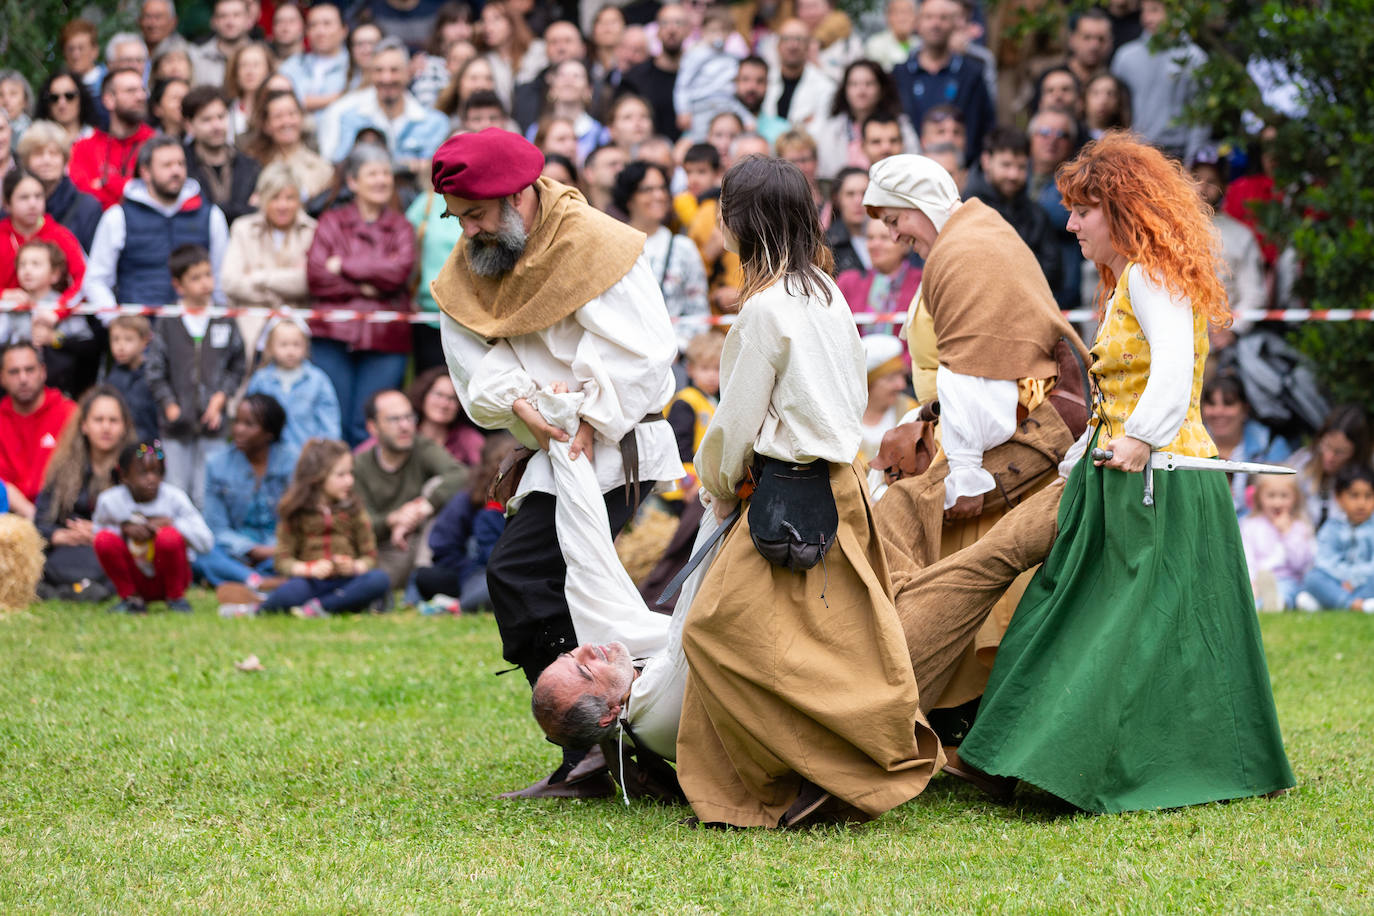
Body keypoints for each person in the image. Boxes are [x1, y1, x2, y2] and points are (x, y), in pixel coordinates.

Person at [954, 133, 1295, 812]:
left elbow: (1172, 372)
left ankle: (1060, 766)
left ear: (1122, 209)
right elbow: (1122, 396)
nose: (1073, 223)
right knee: (1069, 615)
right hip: (1121, 476)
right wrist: (1088, 454)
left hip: (1160, 480)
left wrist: (1139, 440)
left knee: (1120, 631)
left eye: (1085, 210)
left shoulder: (1147, 275)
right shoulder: (1127, 282)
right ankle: (1015, 755)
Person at [670, 156, 938, 828]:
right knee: (838, 648)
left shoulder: (764, 310)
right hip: (840, 488)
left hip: (786, 495)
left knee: (713, 634)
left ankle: (796, 780)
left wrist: (719, 485)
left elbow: (734, 422)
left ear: (739, 223)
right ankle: (798, 776)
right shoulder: (825, 290)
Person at [431, 128, 683, 795]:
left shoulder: (598, 244)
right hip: (554, 444)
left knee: (520, 575)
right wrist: (528, 403)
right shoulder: (471, 265)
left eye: (478, 214)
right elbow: (478, 365)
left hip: (615, 440)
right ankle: (609, 743)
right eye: (457, 219)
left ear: (518, 195)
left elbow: (648, 352)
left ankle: (604, 739)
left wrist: (589, 409)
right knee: (529, 581)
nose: (469, 232)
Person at [305, 143, 416, 445]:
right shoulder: (331, 221)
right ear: (353, 182)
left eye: (385, 173)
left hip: (385, 337)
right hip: (333, 334)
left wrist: (344, 265)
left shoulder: (401, 227)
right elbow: (316, 277)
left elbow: (399, 274)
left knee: (367, 425)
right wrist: (370, 283)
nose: (381, 180)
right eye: (372, 174)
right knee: (334, 420)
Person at [144, 245, 246, 507]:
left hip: (214, 426)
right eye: (196, 278)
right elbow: (155, 370)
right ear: (178, 285)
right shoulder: (168, 321)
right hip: (176, 427)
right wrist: (169, 405)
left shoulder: (224, 318)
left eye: (208, 275)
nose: (205, 283)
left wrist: (220, 399)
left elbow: (237, 364)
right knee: (177, 491)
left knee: (208, 493)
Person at [83, 135, 230, 313]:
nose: (176, 171)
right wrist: (117, 321)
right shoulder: (118, 217)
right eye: (167, 165)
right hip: (139, 328)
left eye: (181, 164)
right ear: (145, 172)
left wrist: (217, 319)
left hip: (195, 326)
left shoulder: (211, 215)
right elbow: (96, 280)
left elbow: (222, 279)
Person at [350, 389, 469, 592]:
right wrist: (394, 519)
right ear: (373, 427)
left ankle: (419, 581)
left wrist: (421, 508)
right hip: (380, 550)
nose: (405, 426)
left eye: (409, 417)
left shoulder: (422, 447)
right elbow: (361, 525)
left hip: (417, 542)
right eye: (394, 419)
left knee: (437, 488)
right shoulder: (359, 465)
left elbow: (460, 474)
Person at [258, 438, 391, 617]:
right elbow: (282, 560)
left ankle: (320, 607)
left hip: (349, 581)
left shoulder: (355, 509)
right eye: (341, 475)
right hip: (311, 582)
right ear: (317, 477)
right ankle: (260, 608)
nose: (350, 481)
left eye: (351, 473)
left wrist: (353, 566)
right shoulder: (295, 512)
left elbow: (370, 557)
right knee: (290, 592)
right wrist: (309, 569)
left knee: (379, 579)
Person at [34, 385, 135, 601]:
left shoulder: (136, 471)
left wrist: (102, 533)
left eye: (113, 420)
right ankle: (79, 590)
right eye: (98, 420)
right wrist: (59, 536)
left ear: (125, 426)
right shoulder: (63, 467)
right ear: (84, 426)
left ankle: (70, 590)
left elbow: (147, 522)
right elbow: (40, 521)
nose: (105, 428)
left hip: (111, 551)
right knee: (48, 564)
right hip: (67, 549)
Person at [92, 440, 213, 615]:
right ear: (124, 475)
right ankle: (131, 598)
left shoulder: (174, 498)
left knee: (168, 538)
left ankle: (176, 599)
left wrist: (172, 524)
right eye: (143, 473)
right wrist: (124, 529)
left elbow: (206, 542)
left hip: (170, 577)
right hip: (135, 576)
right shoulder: (110, 501)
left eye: (156, 472)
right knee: (104, 539)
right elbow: (98, 535)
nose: (151, 478)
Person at [198, 393, 298, 602]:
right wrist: (252, 549)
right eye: (237, 422)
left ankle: (240, 580)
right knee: (202, 553)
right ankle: (258, 582)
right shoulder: (217, 464)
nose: (238, 430)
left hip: (280, 549)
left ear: (269, 433)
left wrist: (275, 550)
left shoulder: (292, 462)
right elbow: (216, 528)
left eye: (249, 424)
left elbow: (298, 519)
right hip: (236, 549)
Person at [220, 162, 317, 356]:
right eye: (275, 198)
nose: (283, 205)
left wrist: (258, 277)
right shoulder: (243, 228)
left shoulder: (312, 231)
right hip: (252, 332)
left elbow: (308, 281)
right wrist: (285, 290)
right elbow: (230, 281)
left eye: (290, 198)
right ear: (263, 198)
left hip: (297, 335)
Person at [413, 431, 515, 614]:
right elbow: (442, 546)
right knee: (424, 577)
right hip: (468, 572)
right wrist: (472, 569)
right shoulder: (470, 501)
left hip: (506, 573)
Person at [613, 160, 709, 353]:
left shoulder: (683, 247)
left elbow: (698, 310)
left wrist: (677, 347)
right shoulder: (612, 245)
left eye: (662, 188)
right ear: (629, 198)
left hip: (675, 356)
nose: (658, 195)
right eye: (646, 189)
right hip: (625, 354)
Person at [316, 37, 449, 170]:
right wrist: (407, 165)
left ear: (408, 73)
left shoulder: (434, 123)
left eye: (394, 70)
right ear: (371, 74)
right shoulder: (351, 119)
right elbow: (342, 166)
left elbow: (437, 171)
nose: (386, 78)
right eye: (379, 70)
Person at [892, 0, 993, 163]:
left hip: (961, 170)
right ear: (917, 23)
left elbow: (984, 126)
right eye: (929, 17)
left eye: (943, 18)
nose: (936, 24)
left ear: (955, 24)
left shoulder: (971, 74)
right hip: (910, 166)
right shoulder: (900, 74)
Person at [964, 125, 1062, 292]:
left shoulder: (1036, 214)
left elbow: (1053, 269)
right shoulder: (965, 210)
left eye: (1021, 167)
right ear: (986, 161)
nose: (1013, 175)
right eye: (1006, 165)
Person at [1110, 0, 1208, 162]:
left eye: (1155, 10)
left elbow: (1201, 117)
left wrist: (1192, 161)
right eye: (1144, 11)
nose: (1147, 18)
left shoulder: (1195, 58)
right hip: (1133, 155)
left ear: (1175, 12)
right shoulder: (1125, 57)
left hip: (1176, 156)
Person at [0, 238, 97, 398]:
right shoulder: (12, 305)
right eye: (22, 264)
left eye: (35, 264)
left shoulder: (64, 306)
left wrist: (54, 339)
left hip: (60, 391)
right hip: (16, 392)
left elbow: (88, 348)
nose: (27, 270)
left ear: (55, 274)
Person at [1200, 374, 1293, 515]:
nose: (1218, 411)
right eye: (1211, 404)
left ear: (1245, 410)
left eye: (1228, 403)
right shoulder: (1187, 447)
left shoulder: (1272, 447)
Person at [0, 342, 77, 513]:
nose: (23, 379)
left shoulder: (70, 414)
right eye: (14, 372)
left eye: (30, 370)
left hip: (60, 514)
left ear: (43, 371)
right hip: (7, 516)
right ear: (2, 378)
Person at [244, 320, 341, 453]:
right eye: (283, 345)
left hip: (306, 458)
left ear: (306, 346)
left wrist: (326, 450)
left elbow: (330, 421)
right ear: (270, 347)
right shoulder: (260, 380)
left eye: (296, 345)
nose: (290, 351)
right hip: (269, 457)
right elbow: (249, 416)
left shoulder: (318, 380)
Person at [813, 59, 917, 180]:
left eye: (869, 84)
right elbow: (827, 174)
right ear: (845, 89)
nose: (861, 91)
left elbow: (913, 164)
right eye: (854, 84)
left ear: (881, 88)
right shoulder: (833, 129)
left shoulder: (900, 124)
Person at [1295, 465, 1374, 613]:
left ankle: (1332, 602)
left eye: (1368, 496)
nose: (1362, 503)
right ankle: (1358, 605)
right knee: (1313, 577)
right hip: (1339, 582)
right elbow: (1325, 561)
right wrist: (1345, 580)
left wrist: (1355, 579)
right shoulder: (1331, 527)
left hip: (1365, 582)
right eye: (1354, 495)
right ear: (1339, 497)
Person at [18, 120, 103, 252]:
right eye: (38, 154)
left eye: (54, 153)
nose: (46, 161)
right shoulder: (15, 207)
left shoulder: (88, 207)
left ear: (64, 160)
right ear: (26, 161)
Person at [182, 87, 262, 226]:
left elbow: (258, 212)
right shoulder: (181, 166)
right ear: (189, 125)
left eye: (221, 117)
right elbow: (193, 213)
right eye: (206, 120)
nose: (216, 126)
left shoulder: (250, 166)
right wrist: (243, 210)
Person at [1287, 405, 1372, 530]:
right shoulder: (1303, 462)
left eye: (1340, 452)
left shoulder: (1366, 478)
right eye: (1326, 446)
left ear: (1357, 454)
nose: (1329, 457)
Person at [835, 217, 921, 338]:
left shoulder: (922, 284)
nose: (875, 244)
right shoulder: (848, 283)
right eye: (870, 238)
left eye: (884, 238)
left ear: (905, 244)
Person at [242, 89, 334, 199]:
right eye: (278, 116)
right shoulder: (252, 164)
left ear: (301, 118)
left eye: (292, 114)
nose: (286, 122)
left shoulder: (322, 169)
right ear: (267, 124)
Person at [1240, 474, 1314, 612]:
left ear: (1295, 498)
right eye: (1271, 496)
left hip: (1288, 579)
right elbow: (1247, 558)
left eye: (1284, 496)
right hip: (1257, 579)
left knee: (1287, 590)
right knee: (1251, 593)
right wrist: (1251, 581)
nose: (1277, 503)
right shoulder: (1250, 525)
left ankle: (1278, 603)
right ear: (1259, 497)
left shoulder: (1299, 526)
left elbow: (1300, 563)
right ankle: (1259, 603)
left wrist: (1287, 533)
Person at [623, 4, 686, 141]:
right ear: (657, 31)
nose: (672, 29)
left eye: (678, 23)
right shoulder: (636, 77)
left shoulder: (700, 76)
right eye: (665, 23)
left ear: (689, 30)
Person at [762, 19, 836, 134]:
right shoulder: (764, 80)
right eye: (786, 39)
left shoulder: (825, 87)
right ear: (778, 45)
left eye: (799, 40)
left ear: (808, 46)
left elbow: (820, 131)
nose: (793, 46)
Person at [278, 2, 352, 114]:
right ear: (306, 31)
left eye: (327, 24)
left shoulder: (354, 65)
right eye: (313, 25)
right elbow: (280, 101)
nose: (320, 31)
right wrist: (337, 98)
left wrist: (304, 102)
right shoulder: (292, 65)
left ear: (344, 30)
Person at [406, 367, 484, 466]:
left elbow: (484, 470)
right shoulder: (406, 431)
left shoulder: (468, 438)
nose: (444, 404)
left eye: (452, 398)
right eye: (438, 395)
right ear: (423, 395)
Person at [104, 315, 160, 444]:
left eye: (128, 339)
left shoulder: (154, 376)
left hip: (150, 446)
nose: (120, 346)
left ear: (145, 341)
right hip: (120, 446)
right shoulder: (112, 379)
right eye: (115, 339)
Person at [190, 0, 255, 90]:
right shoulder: (196, 56)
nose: (230, 22)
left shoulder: (262, 57)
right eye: (223, 16)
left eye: (236, 15)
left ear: (249, 20)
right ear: (214, 21)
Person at [222, 41, 277, 142]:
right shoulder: (226, 112)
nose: (250, 71)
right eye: (243, 65)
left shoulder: (278, 109)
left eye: (256, 65)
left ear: (269, 70)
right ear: (236, 73)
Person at [35, 72, 102, 148]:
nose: (62, 103)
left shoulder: (99, 140)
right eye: (54, 98)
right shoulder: (37, 143)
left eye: (69, 96)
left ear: (81, 99)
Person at [825, 167, 871, 275]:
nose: (858, 201)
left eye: (865, 193)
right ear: (837, 199)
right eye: (850, 194)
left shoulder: (892, 239)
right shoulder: (826, 245)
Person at [864, 0, 918, 72]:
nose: (902, 18)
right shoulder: (875, 45)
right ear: (888, 17)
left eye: (907, 12)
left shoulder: (921, 44)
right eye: (897, 13)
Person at [1083, 73, 1131, 140]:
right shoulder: (1073, 136)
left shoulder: (1125, 140)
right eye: (1096, 93)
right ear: (1084, 99)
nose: (1103, 101)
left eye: (1110, 94)